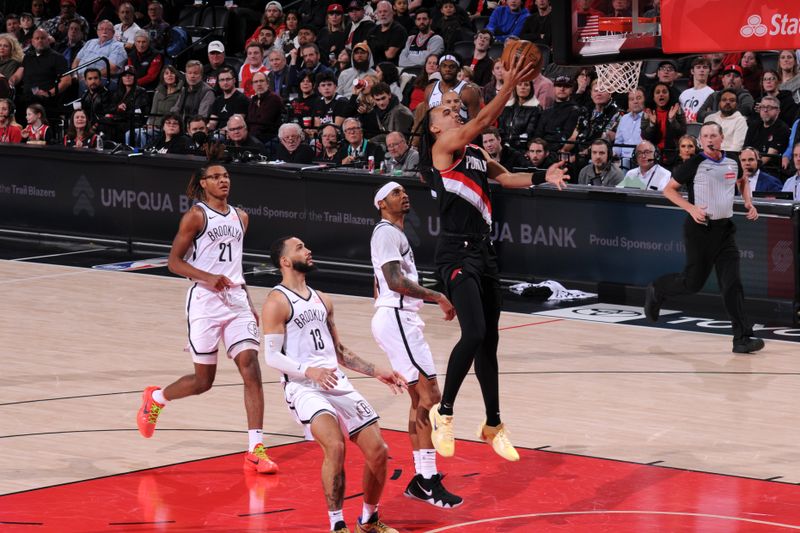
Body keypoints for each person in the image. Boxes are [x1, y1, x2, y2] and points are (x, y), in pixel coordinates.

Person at [419, 53, 568, 461]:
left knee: (490, 343)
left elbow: (505, 177)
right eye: (446, 110)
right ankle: (443, 412)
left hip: (483, 252)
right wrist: (506, 85)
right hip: (454, 251)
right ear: (435, 126)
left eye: (456, 108)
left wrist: (542, 177)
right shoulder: (443, 148)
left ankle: (493, 423)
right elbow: (482, 122)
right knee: (473, 333)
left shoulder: (477, 155)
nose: (453, 111)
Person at [136, 160, 280, 474]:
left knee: (250, 368)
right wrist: (206, 277)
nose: (222, 181)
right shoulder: (196, 216)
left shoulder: (242, 217)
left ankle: (255, 448)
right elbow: (174, 262)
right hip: (204, 302)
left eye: (226, 175)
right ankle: (157, 397)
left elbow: (234, 266)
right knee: (204, 381)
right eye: (215, 177)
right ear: (203, 183)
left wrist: (247, 300)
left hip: (236, 299)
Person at [262, 235, 405, 533]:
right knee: (335, 445)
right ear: (285, 261)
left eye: (306, 245)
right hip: (302, 387)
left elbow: (338, 352)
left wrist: (376, 370)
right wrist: (307, 371)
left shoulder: (322, 298)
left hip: (336, 383)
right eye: (300, 247)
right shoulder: (276, 301)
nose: (309, 250)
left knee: (378, 451)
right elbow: (272, 356)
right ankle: (337, 525)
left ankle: (369, 521)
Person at [369, 182, 462, 509]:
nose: (403, 195)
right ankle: (425, 479)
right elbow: (394, 281)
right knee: (430, 396)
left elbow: (380, 283)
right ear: (381, 203)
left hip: (398, 318)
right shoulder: (385, 233)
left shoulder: (393, 234)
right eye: (395, 193)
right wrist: (436, 295)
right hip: (396, 318)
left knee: (419, 398)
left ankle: (423, 479)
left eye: (405, 191)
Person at [644, 122, 765, 354]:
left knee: (733, 285)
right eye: (705, 136)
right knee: (692, 283)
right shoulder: (694, 164)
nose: (710, 139)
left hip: (725, 231)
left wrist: (748, 201)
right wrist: (690, 208)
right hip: (700, 231)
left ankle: (742, 338)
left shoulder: (732, 160)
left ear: (722, 138)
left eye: (714, 135)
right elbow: (669, 190)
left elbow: (742, 180)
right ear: (701, 140)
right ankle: (657, 289)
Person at [704, 88, 748, 152]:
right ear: (719, 103)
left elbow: (737, 148)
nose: (727, 102)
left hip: (728, 158)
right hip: (707, 155)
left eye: (732, 100)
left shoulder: (740, 121)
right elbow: (702, 142)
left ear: (737, 104)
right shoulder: (710, 118)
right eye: (724, 100)